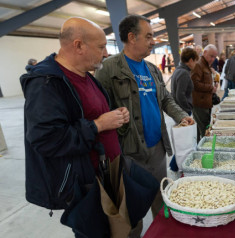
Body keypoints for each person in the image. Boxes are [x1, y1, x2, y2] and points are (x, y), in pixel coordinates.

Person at [20, 17, 131, 236]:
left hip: (107, 174)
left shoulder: (87, 76)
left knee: (119, 230)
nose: (106, 53)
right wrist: (98, 125)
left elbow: (91, 114)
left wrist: (114, 117)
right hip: (85, 185)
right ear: (78, 45)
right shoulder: (47, 84)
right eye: (101, 47)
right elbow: (47, 139)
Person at [95, 15, 194, 219]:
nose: (153, 42)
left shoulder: (152, 70)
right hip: (130, 153)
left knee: (161, 201)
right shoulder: (109, 69)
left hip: (158, 149)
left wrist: (182, 116)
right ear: (132, 37)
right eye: (148, 36)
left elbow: (166, 99)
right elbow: (99, 112)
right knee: (133, 211)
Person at [191, 44, 218, 141]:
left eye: (215, 57)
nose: (213, 59)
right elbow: (194, 84)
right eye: (211, 56)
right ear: (205, 52)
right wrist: (211, 88)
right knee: (204, 130)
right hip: (200, 104)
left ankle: (199, 147)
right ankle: (205, 150)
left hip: (206, 103)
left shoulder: (206, 65)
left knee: (201, 129)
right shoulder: (198, 65)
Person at [171, 47, 199, 115]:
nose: (195, 64)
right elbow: (180, 95)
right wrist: (188, 109)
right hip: (183, 111)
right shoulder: (184, 73)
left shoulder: (178, 70)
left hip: (178, 109)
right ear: (191, 60)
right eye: (195, 61)